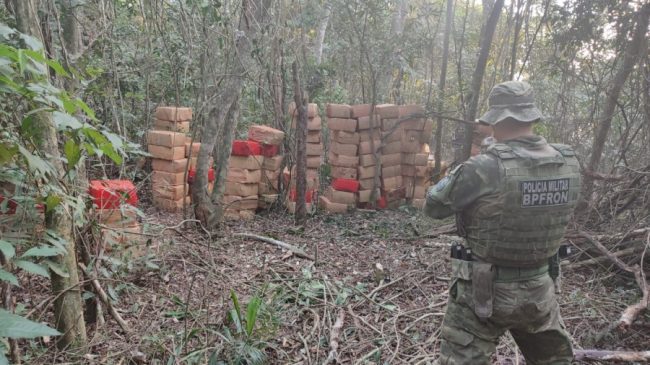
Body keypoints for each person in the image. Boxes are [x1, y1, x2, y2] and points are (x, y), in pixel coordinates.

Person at [425, 81, 581, 365]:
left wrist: (473, 163)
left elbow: (434, 206)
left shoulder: (485, 166)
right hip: (541, 289)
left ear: (496, 119)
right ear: (532, 116)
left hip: (483, 292)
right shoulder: (567, 160)